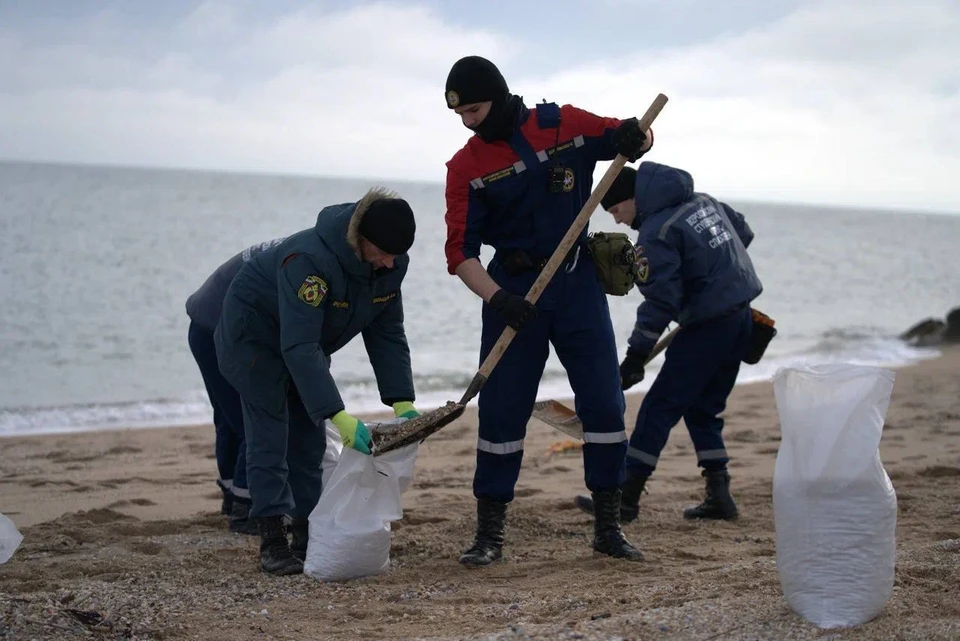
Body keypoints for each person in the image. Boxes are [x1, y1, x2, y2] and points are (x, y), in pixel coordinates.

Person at [442, 55, 654, 567]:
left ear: (497, 95)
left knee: (604, 403)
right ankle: (489, 534)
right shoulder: (465, 167)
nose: (469, 121)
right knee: (502, 410)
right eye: (461, 115)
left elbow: (632, 137)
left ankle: (608, 527)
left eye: (474, 109)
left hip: (578, 282)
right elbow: (460, 255)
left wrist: (635, 138)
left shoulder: (564, 125)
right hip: (512, 291)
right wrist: (499, 299)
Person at [214, 187, 421, 576]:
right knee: (270, 438)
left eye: (398, 255)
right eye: (383, 253)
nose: (390, 264)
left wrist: (401, 401)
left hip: (303, 343)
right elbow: (299, 344)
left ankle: (307, 532)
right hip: (253, 341)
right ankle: (272, 538)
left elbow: (387, 332)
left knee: (309, 445)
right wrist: (338, 415)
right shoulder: (308, 262)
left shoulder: (390, 263)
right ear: (361, 240)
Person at [574, 161, 763, 524]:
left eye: (616, 210)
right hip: (741, 318)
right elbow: (743, 233)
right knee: (703, 409)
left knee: (658, 407)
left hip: (707, 328)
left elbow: (661, 301)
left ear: (633, 197)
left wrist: (635, 356)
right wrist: (714, 276)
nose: (616, 220)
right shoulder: (703, 202)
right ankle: (720, 495)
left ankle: (626, 496)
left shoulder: (656, 232)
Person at [186, 237, 286, 536]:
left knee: (228, 419)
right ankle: (245, 509)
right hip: (218, 331)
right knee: (249, 421)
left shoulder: (291, 251)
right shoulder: (303, 265)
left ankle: (232, 497)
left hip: (202, 325)